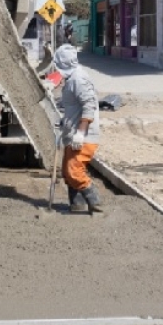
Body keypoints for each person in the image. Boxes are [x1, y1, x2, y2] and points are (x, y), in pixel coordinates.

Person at [54, 44, 103, 213]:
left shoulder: (78, 79)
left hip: (84, 135)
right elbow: (74, 106)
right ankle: (77, 205)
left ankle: (95, 201)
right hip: (72, 131)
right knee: (68, 174)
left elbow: (89, 105)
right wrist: (65, 122)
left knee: (74, 171)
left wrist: (81, 133)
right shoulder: (71, 78)